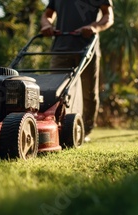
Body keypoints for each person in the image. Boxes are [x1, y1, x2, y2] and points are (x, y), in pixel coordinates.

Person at [40, 0, 114, 141]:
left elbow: (108, 17)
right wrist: (47, 25)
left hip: (86, 48)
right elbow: (47, 15)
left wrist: (94, 27)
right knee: (53, 91)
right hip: (60, 47)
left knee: (89, 92)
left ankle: (85, 131)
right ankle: (54, 127)